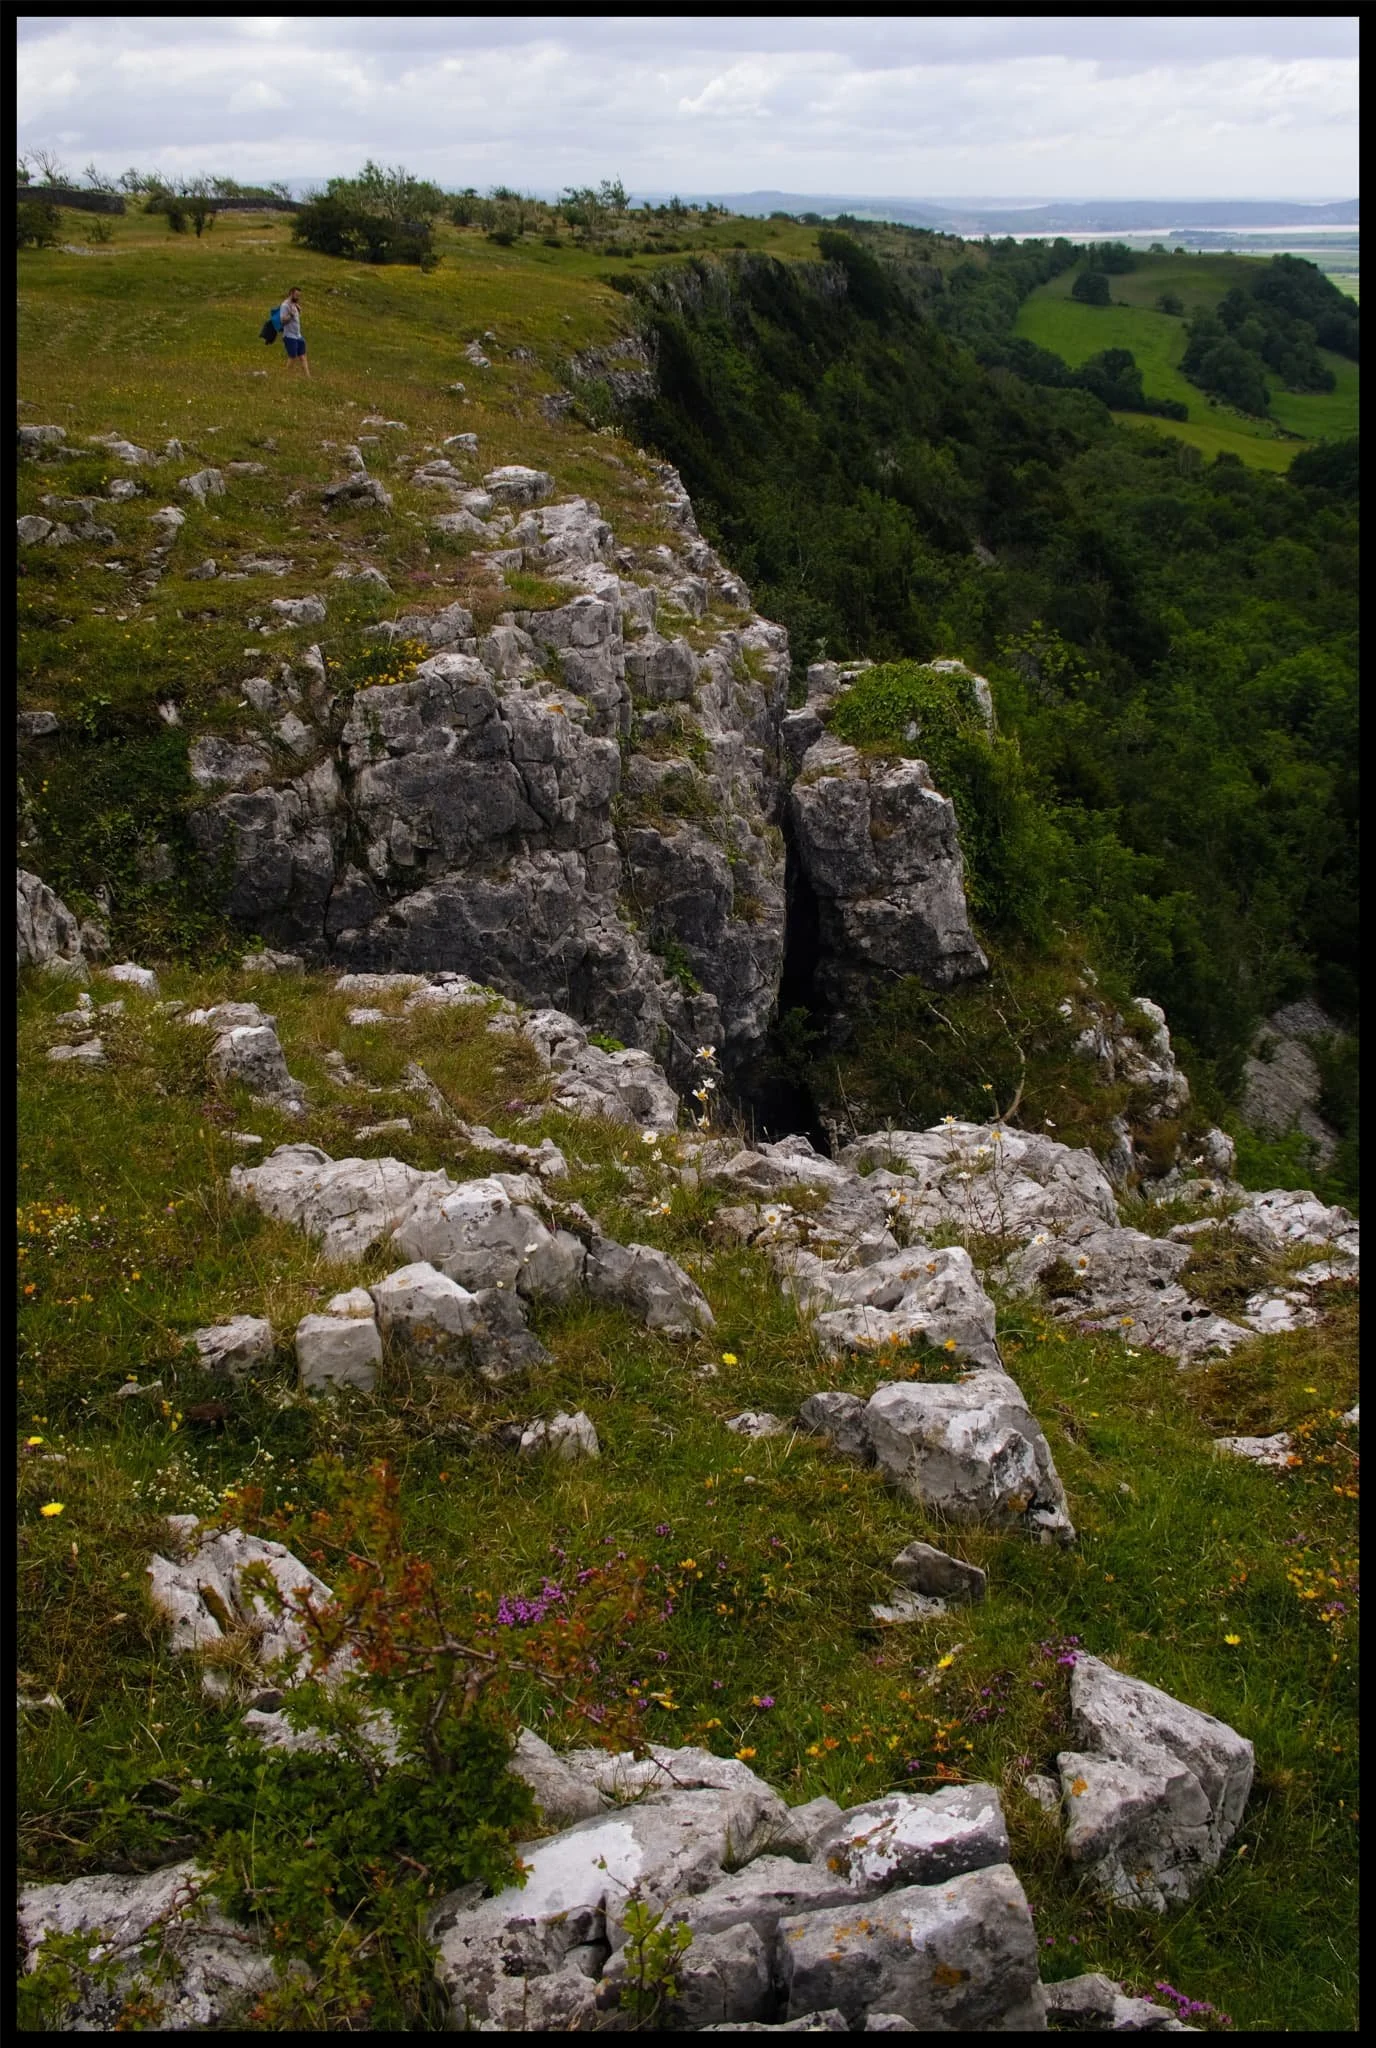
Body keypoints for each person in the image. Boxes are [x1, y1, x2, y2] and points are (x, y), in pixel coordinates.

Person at [279, 287, 309, 377]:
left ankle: (308, 377)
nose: (298, 297)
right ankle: (285, 375)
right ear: (291, 294)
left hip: (298, 335)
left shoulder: (294, 304)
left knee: (303, 356)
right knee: (293, 357)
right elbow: (282, 321)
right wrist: (291, 315)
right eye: (296, 295)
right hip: (289, 335)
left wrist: (298, 311)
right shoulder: (285, 305)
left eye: (299, 295)